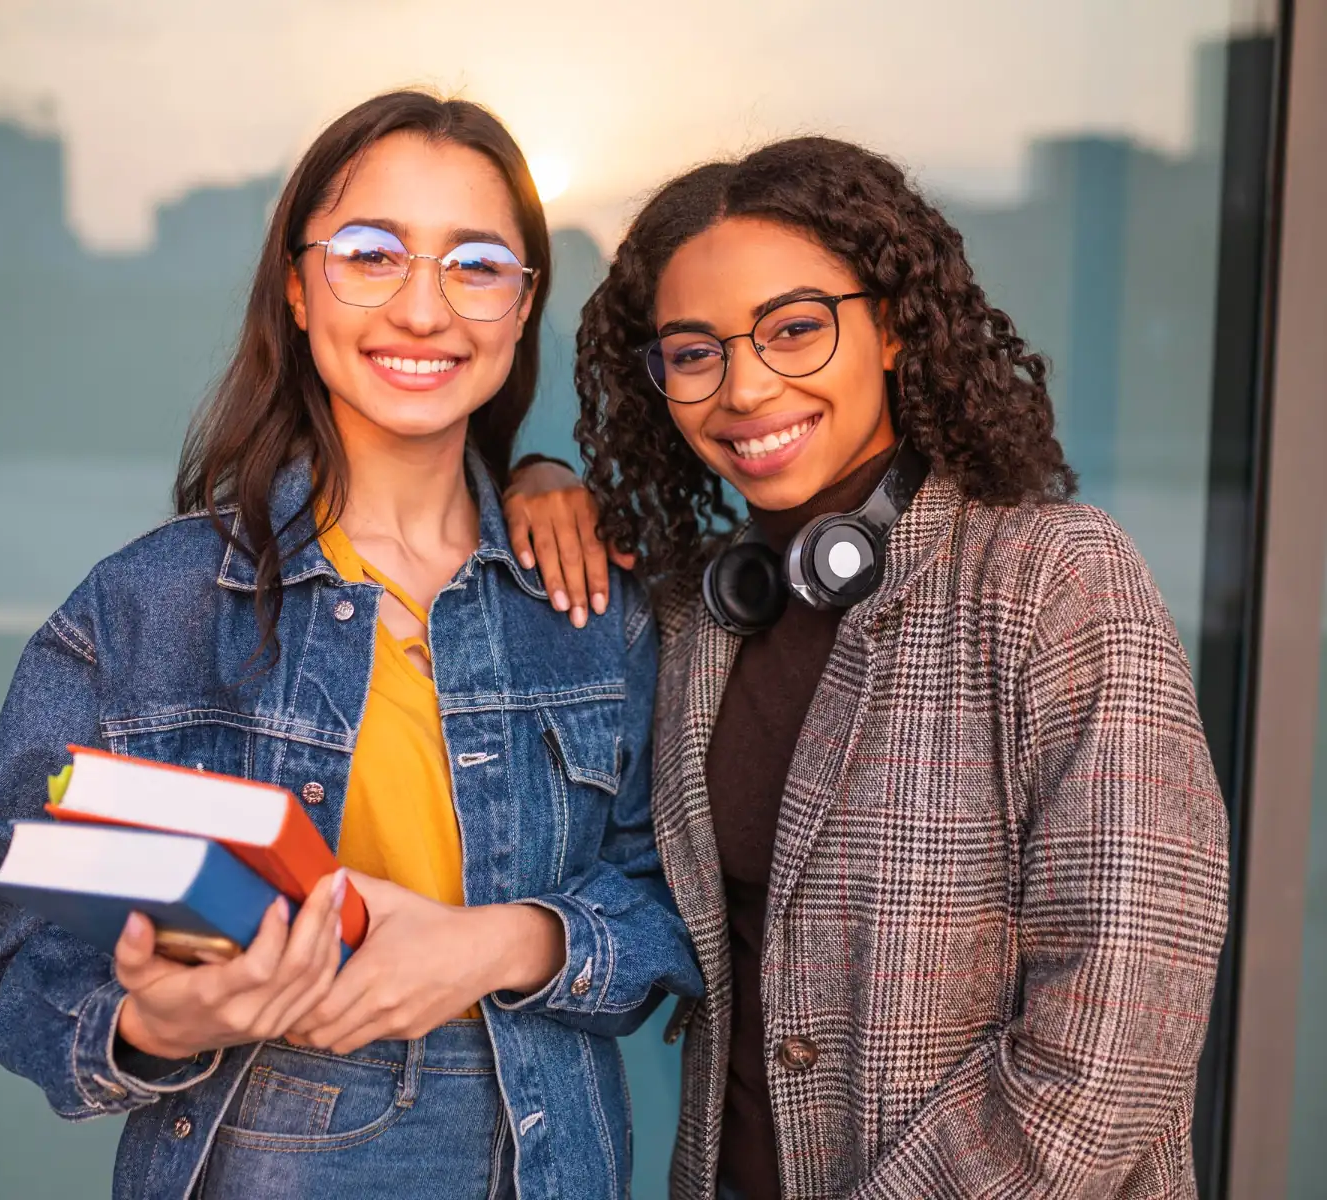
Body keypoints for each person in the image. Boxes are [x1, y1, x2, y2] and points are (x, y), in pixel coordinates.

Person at [0, 91, 700, 1200]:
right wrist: (157, 1022)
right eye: (371, 255)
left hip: (554, 1167)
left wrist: (506, 943)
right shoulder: (145, 608)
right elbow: (32, 965)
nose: (424, 308)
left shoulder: (598, 601)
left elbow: (686, 899)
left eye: (476, 265)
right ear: (301, 291)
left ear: (521, 307)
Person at [503, 137, 1230, 1199]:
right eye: (694, 351)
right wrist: (530, 475)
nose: (746, 388)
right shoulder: (697, 612)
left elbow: (1124, 1021)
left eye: (795, 329)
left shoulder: (1052, 576)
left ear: (890, 325)